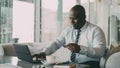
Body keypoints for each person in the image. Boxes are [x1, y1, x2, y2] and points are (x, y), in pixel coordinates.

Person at [33, 5, 106, 68]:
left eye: (75, 18)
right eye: (70, 18)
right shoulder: (68, 30)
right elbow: (56, 43)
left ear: (84, 17)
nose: (71, 22)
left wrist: (80, 49)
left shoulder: (96, 31)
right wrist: (44, 53)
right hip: (72, 64)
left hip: (90, 65)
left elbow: (100, 52)